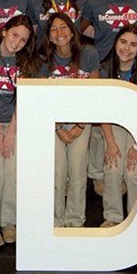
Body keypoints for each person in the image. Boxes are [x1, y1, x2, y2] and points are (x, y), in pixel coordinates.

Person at [82, 0, 137, 197]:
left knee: (124, 121)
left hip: (129, 67)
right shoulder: (95, 2)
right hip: (103, 68)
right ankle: (99, 176)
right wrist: (98, 35)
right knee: (101, 124)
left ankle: (121, 169)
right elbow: (79, 28)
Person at [0, 15, 41, 246]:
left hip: (16, 122)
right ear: (4, 31)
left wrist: (11, 133)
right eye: (15, 35)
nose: (17, 42)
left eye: (23, 40)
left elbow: (24, 100)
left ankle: (9, 222)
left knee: (12, 171)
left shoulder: (29, 61)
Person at [37, 13, 99, 228]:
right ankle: (55, 222)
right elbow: (41, 99)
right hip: (53, 124)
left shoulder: (88, 54)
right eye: (54, 29)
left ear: (72, 30)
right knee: (56, 172)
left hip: (82, 122)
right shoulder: (44, 59)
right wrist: (58, 128)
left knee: (78, 171)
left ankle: (75, 221)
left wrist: (80, 125)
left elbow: (95, 93)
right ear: (49, 36)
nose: (59, 33)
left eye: (64, 27)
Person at [97, 25, 137, 228]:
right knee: (112, 167)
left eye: (133, 44)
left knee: (133, 170)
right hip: (114, 125)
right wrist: (110, 143)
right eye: (123, 42)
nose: (127, 48)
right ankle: (113, 216)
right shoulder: (104, 70)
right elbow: (101, 110)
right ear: (115, 42)